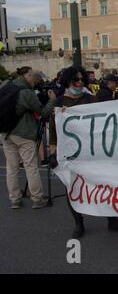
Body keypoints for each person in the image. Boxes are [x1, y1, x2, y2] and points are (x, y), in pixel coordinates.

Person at [48, 66, 118, 238]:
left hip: (93, 152)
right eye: (75, 80)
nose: (79, 83)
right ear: (67, 81)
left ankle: (112, 220)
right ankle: (79, 223)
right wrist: (53, 149)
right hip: (71, 153)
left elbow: (104, 121)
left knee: (105, 184)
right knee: (73, 187)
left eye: (81, 80)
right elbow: (54, 130)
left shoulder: (91, 100)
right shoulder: (59, 103)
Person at [0, 67, 56, 209]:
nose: (36, 82)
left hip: (5, 132)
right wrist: (52, 100)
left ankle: (15, 200)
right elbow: (43, 112)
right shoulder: (26, 92)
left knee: (11, 168)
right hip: (23, 133)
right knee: (31, 166)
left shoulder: (6, 85)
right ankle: (37, 198)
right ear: (28, 76)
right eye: (35, 79)